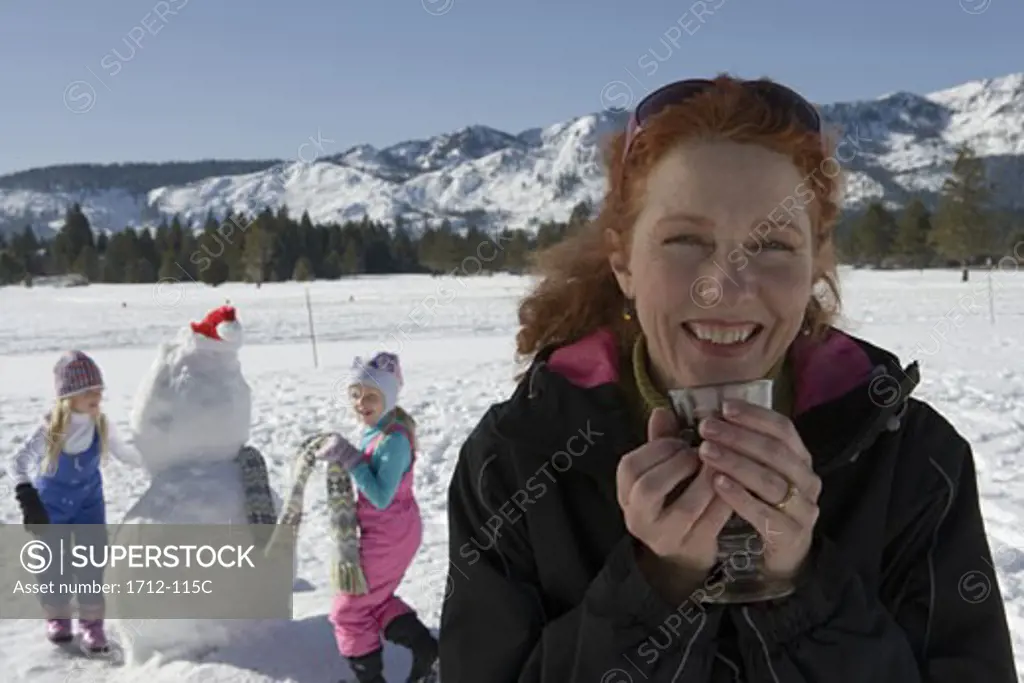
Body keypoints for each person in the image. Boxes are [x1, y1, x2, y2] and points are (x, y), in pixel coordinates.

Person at [438, 75, 1018, 682]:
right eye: (685, 240)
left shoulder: (912, 461)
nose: (725, 286)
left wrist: (798, 590)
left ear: (815, 265)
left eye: (772, 245)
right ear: (623, 263)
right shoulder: (515, 460)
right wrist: (654, 589)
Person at [315, 351, 439, 683]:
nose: (360, 403)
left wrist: (349, 456)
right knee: (373, 600)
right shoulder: (378, 428)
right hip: (388, 530)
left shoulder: (394, 440)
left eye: (370, 395)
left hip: (390, 534)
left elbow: (381, 496)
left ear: (389, 396)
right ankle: (428, 652)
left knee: (348, 610)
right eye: (355, 395)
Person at [10, 350, 143, 652]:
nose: (96, 395)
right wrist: (27, 497)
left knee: (91, 562)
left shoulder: (102, 425)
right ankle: (57, 618)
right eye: (87, 391)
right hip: (51, 506)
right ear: (68, 396)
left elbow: (127, 454)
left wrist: (160, 461)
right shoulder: (51, 430)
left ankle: (92, 624)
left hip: (88, 505)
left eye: (99, 389)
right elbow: (17, 462)